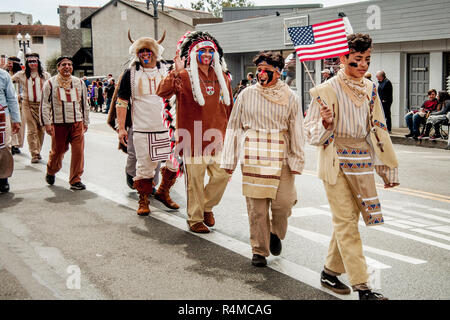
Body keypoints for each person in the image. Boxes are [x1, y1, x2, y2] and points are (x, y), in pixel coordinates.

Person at [304, 33, 399, 300]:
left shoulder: (370, 88)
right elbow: (309, 131)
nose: (363, 66)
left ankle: (329, 272)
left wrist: (387, 168)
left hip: (362, 162)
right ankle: (362, 286)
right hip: (335, 162)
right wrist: (324, 123)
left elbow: (378, 128)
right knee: (346, 221)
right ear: (343, 58)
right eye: (357, 60)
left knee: (349, 220)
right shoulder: (325, 90)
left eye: (367, 60)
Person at [221, 51, 305, 267]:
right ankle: (259, 249)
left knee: (283, 204)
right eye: (258, 70)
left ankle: (275, 232)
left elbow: (297, 130)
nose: (261, 74)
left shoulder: (291, 98)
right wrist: (229, 160)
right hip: (253, 156)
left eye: (266, 70)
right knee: (257, 208)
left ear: (278, 72)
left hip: (281, 156)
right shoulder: (246, 95)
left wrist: (297, 160)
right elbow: (234, 126)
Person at [157, 31, 233, 233]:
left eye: (211, 51)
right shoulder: (183, 75)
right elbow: (161, 92)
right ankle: (195, 219)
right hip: (192, 138)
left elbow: (229, 107)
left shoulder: (222, 77)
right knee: (195, 183)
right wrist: (175, 71)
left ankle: (206, 206)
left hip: (218, 137)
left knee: (223, 175)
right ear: (193, 54)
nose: (207, 54)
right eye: (202, 50)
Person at [115, 30, 179, 216]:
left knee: (173, 162)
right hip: (142, 129)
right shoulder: (130, 74)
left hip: (167, 128)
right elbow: (122, 101)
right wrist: (121, 128)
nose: (144, 54)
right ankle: (143, 200)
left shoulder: (168, 69)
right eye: (141, 51)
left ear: (155, 52)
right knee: (144, 167)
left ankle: (163, 192)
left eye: (148, 51)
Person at [40, 56, 90, 190]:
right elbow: (45, 104)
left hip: (77, 123)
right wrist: (47, 123)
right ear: (58, 67)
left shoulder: (79, 82)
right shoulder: (50, 83)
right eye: (63, 65)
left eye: (69, 64)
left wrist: (85, 121)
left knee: (78, 152)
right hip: (58, 124)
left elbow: (84, 104)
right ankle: (51, 170)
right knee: (58, 151)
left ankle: (75, 180)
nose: (67, 67)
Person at [11, 53, 51, 163]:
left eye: (34, 61)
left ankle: (38, 150)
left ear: (38, 62)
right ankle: (34, 153)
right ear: (27, 63)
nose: (32, 64)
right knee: (32, 129)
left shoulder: (45, 75)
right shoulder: (21, 74)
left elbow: (50, 89)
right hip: (27, 104)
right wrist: (16, 95)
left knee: (41, 129)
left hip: (41, 105)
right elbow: (8, 82)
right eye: (30, 61)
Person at [0, 68, 21, 193]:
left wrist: (16, 119)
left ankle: (3, 178)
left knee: (4, 146)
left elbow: (12, 98)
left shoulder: (3, 75)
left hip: (2, 115)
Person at [5, 56, 24, 156]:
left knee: (17, 123)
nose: (8, 65)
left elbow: (23, 89)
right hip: (6, 105)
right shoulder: (6, 74)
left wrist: (21, 96)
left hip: (19, 102)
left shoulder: (21, 75)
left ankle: (15, 145)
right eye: (8, 63)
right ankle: (12, 144)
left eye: (10, 63)